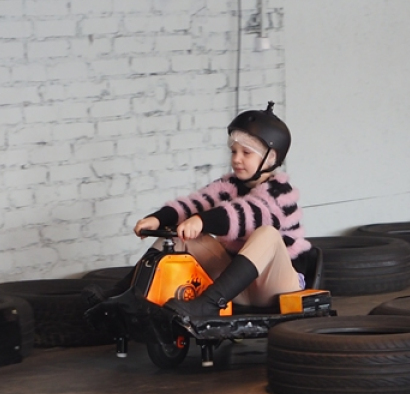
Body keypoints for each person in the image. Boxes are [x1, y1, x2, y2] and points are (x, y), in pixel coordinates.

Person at [133, 102, 311, 324]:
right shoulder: (229, 185)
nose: (236, 159)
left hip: (276, 288)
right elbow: (196, 203)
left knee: (267, 233)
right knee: (178, 235)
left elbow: (247, 213)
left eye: (246, 153)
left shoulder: (280, 191)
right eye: (234, 151)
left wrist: (202, 221)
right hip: (238, 288)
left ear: (271, 158)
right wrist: (158, 218)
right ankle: (128, 294)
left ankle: (207, 304)